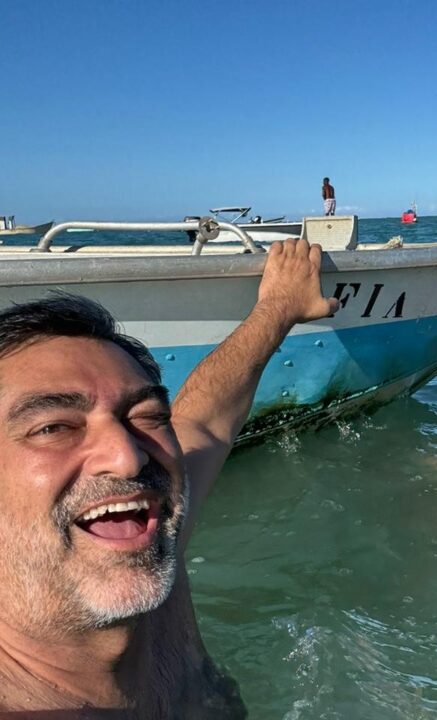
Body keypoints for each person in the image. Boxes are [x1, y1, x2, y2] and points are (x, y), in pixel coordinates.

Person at [0, 239, 339, 716]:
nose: (127, 457)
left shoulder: (149, 549)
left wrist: (280, 307)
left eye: (146, 416)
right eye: (53, 428)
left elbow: (205, 422)